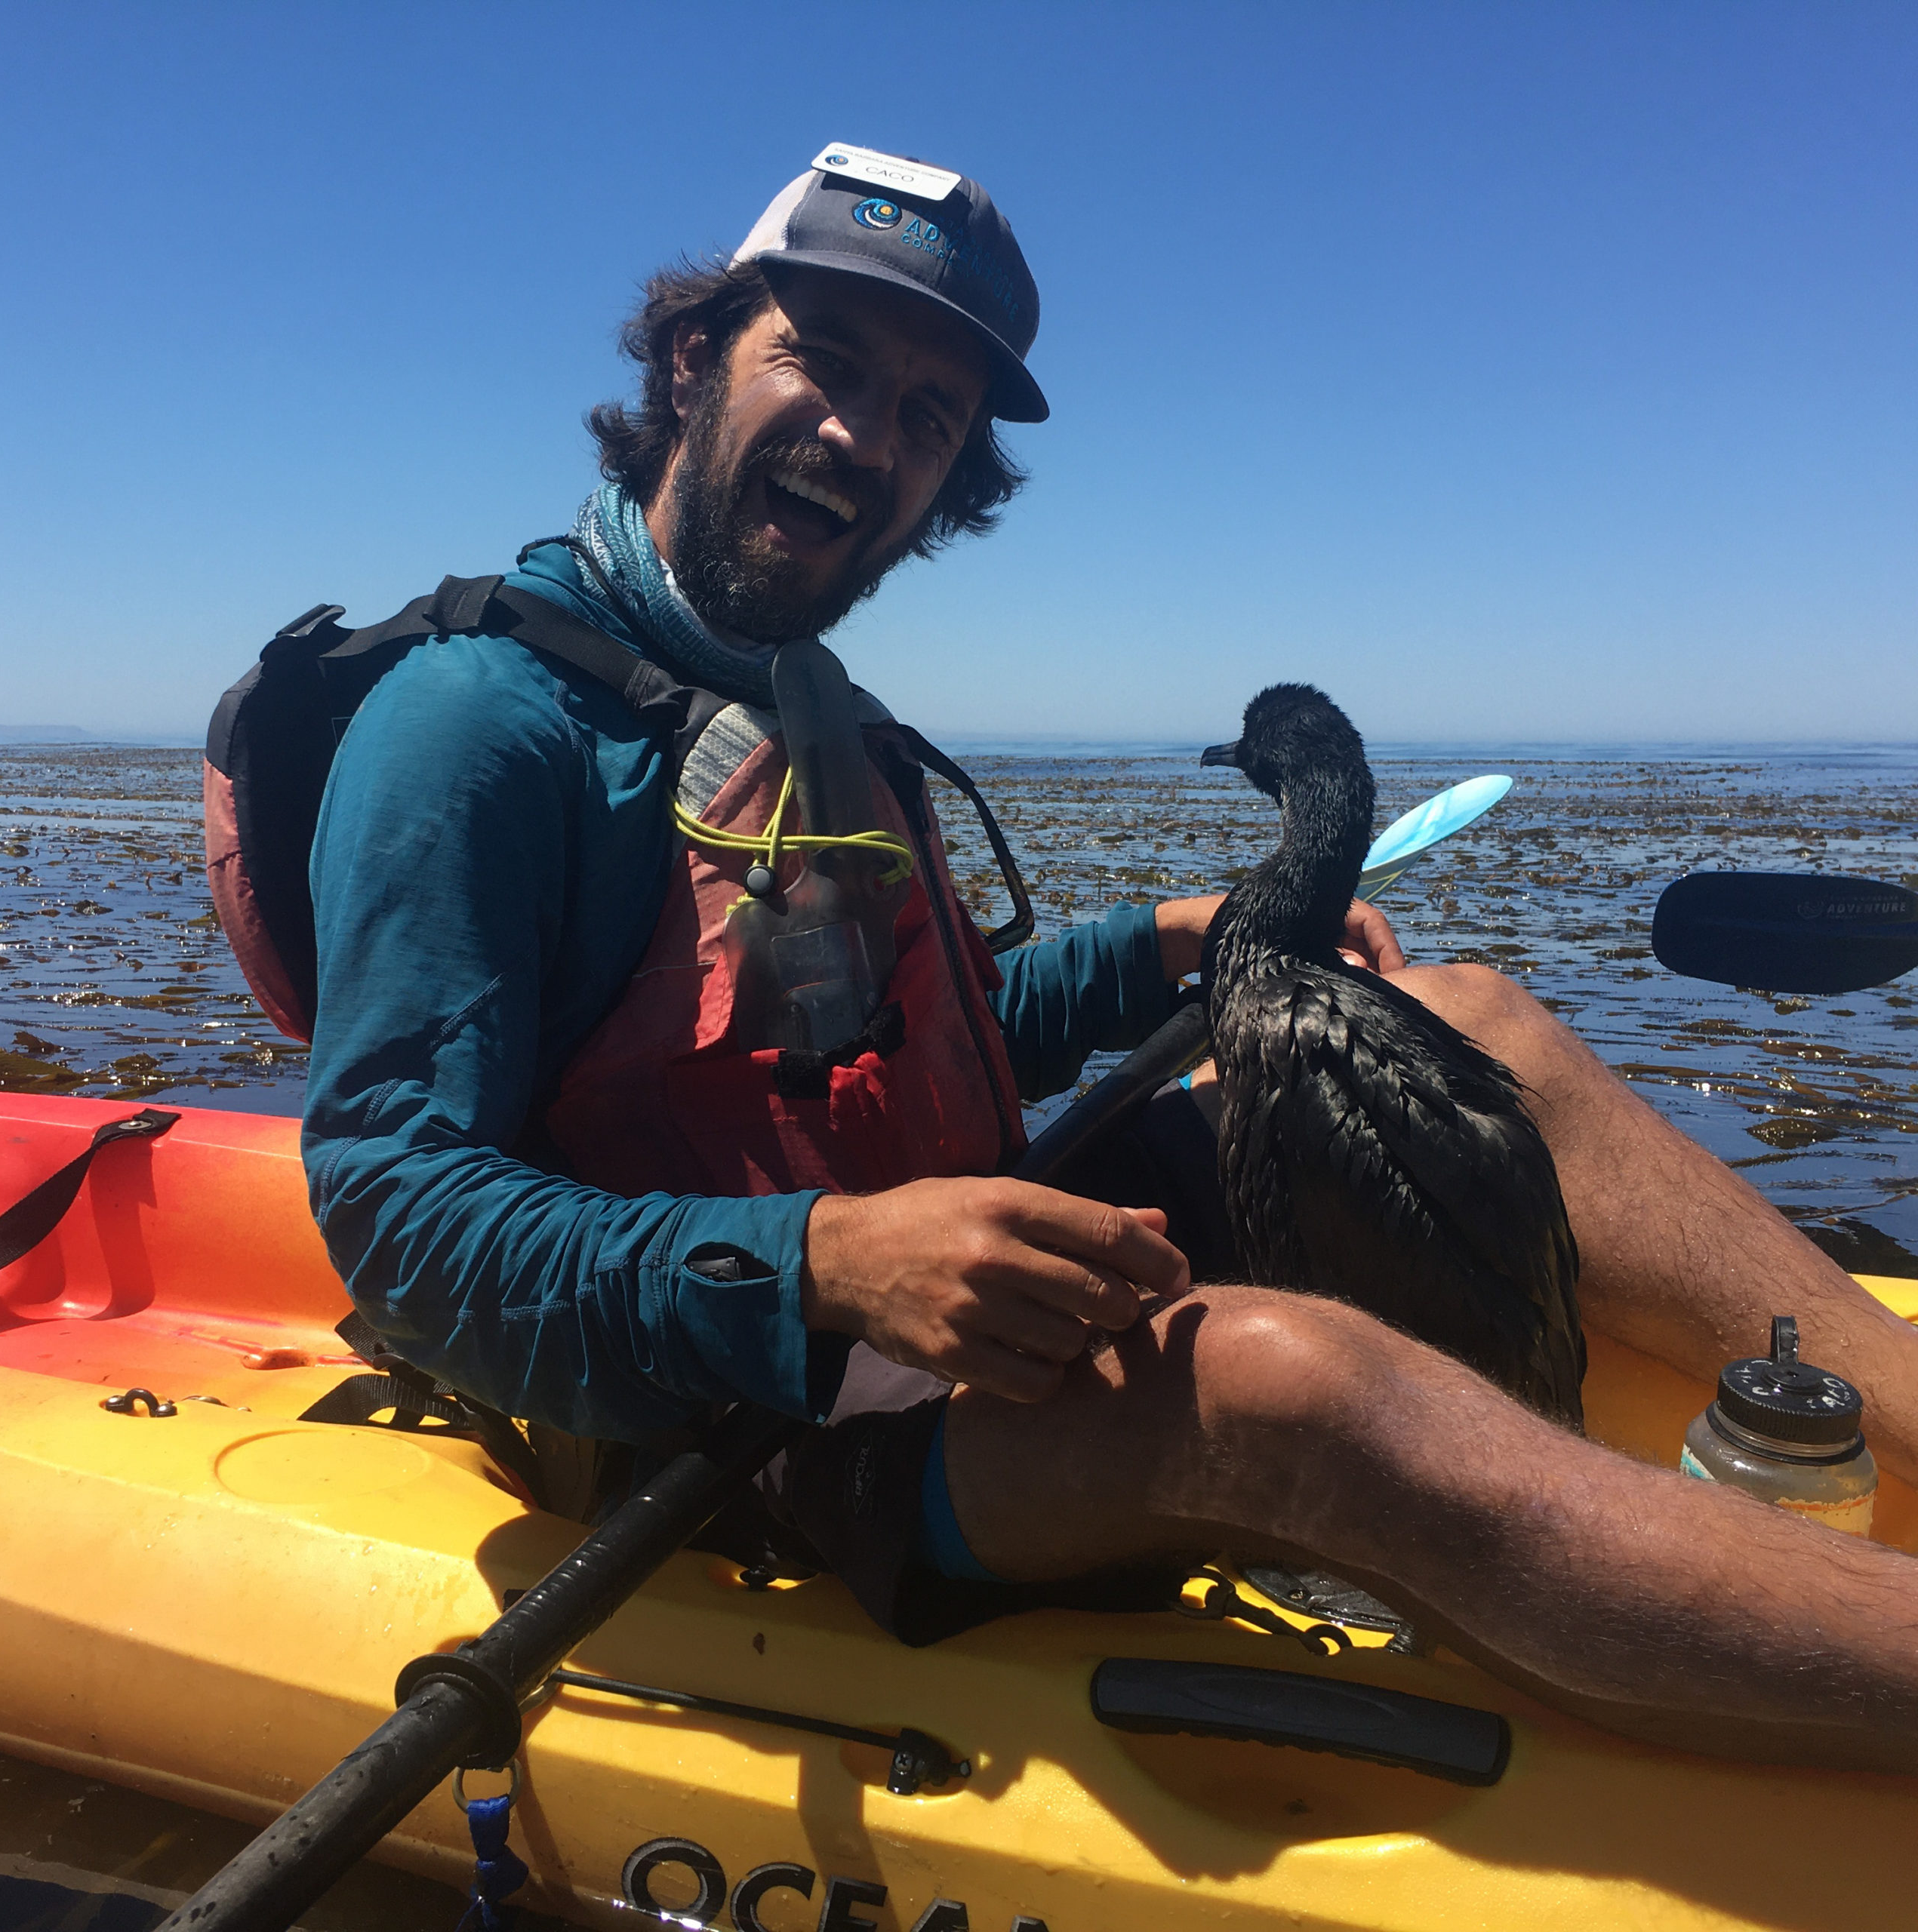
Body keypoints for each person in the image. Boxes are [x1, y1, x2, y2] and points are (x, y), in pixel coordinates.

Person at [303, 146, 1918, 1775]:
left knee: (1461, 1023)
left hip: (960, 1268)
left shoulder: (814, 715)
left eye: (928, 414)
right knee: (1278, 1386)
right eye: (827, 360)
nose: (866, 435)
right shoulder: (477, 729)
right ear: (688, 359)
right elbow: (389, 1207)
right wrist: (823, 1265)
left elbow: (897, 1053)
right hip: (736, 1430)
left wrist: (1161, 945)